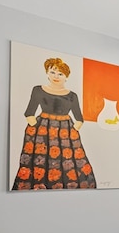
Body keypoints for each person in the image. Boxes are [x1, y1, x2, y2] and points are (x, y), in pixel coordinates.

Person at [12, 58, 97, 190]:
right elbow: (29, 112)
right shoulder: (38, 90)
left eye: (60, 74)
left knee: (69, 164)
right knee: (40, 162)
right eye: (52, 72)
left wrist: (73, 129)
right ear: (47, 73)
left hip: (66, 133)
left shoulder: (72, 95)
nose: (56, 76)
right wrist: (36, 127)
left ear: (66, 77)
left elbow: (79, 118)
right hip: (42, 131)